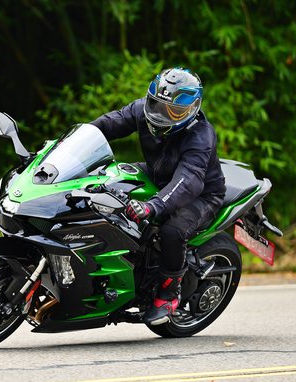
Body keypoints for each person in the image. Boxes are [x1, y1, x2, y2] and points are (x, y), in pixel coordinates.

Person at [90, 67, 226, 326]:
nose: (162, 114)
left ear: (192, 109)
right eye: (157, 105)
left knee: (173, 231)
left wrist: (153, 206)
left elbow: (189, 180)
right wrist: (69, 142)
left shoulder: (201, 135)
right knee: (107, 178)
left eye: (174, 111)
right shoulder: (142, 110)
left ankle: (168, 294)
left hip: (201, 193)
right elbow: (109, 123)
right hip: (157, 175)